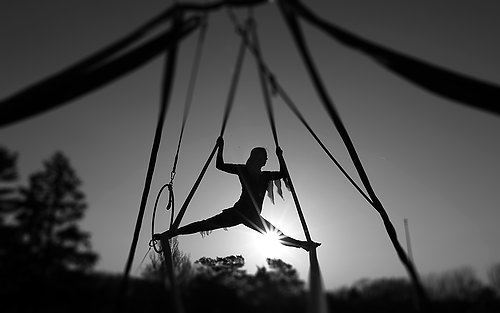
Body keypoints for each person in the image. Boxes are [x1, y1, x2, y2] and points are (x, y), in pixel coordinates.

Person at [153, 137, 320, 252]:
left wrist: (280, 156)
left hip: (252, 216)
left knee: (276, 234)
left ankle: (303, 245)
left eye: (268, 157)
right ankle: (170, 234)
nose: (267, 159)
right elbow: (220, 165)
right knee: (204, 225)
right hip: (239, 212)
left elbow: (283, 172)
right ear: (257, 158)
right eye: (265, 157)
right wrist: (220, 147)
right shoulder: (243, 170)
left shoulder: (266, 175)